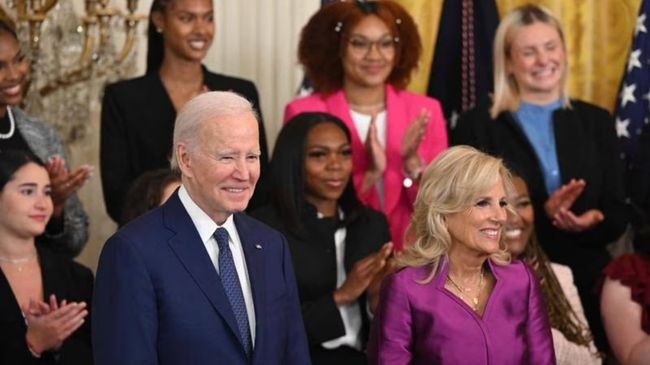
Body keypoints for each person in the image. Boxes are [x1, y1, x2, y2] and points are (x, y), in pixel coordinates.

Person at [452, 4, 627, 349]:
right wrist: (541, 214)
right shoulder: (478, 125)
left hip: (589, 273)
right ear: (509, 60)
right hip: (503, 276)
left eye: (550, 47)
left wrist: (589, 221)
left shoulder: (597, 121)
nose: (543, 60)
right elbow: (466, 215)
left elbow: (619, 214)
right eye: (528, 52)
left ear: (563, 50)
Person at [93, 92, 310, 365]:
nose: (244, 173)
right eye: (227, 157)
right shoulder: (132, 251)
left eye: (252, 156)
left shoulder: (271, 245)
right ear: (185, 159)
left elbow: (294, 355)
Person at [284, 0, 448, 250]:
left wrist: (411, 167)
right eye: (359, 43)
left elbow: (443, 206)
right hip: (331, 255)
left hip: (412, 256)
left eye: (385, 44)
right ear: (337, 48)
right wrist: (370, 175)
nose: (374, 55)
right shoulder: (304, 112)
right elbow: (294, 203)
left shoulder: (426, 111)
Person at [368, 145, 555, 365]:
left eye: (502, 203)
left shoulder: (522, 280)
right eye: (483, 203)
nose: (500, 216)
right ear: (443, 212)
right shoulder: (406, 288)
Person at [100, 0, 269, 224]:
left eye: (208, 18)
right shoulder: (124, 98)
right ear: (160, 21)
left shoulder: (239, 92)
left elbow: (262, 185)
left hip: (227, 235)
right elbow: (118, 197)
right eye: (187, 18)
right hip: (151, 236)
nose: (201, 29)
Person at [252, 112, 392, 365]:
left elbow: (387, 327)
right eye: (319, 154)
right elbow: (264, 328)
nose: (335, 165)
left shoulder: (372, 224)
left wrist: (377, 298)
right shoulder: (263, 229)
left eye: (345, 153)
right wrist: (341, 296)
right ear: (293, 161)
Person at [0, 19, 90, 257]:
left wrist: (56, 206)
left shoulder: (41, 135)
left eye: (19, 60)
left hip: (39, 285)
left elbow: (76, 242)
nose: (14, 74)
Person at [0, 149, 93, 364]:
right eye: (27, 192)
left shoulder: (77, 277)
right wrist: (32, 343)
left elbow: (98, 354)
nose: (43, 204)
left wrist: (58, 344)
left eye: (47, 192)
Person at [505, 173, 600, 364]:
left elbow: (591, 361)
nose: (514, 216)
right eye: (502, 205)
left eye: (523, 203)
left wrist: (534, 323)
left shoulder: (559, 276)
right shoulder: (463, 286)